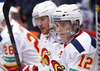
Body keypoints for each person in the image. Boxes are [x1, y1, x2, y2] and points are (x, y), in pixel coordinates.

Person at [50, 4, 97, 71]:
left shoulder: (81, 46)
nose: (58, 30)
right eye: (57, 25)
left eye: (62, 25)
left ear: (76, 24)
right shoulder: (60, 43)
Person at [0, 5, 40, 70]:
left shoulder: (8, 36)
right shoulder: (11, 25)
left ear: (3, 22)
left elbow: (10, 68)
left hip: (36, 67)